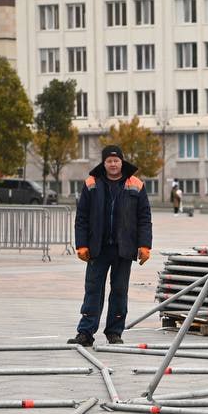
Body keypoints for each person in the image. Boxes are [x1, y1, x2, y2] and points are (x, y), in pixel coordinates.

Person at [68, 144, 152, 347]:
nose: (113, 164)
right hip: (98, 248)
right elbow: (82, 218)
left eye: (116, 160)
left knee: (120, 290)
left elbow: (144, 218)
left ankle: (114, 332)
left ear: (122, 162)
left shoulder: (136, 184)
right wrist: (81, 245)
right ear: (103, 163)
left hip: (124, 248)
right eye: (109, 161)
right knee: (93, 290)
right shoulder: (91, 183)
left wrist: (144, 245)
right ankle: (86, 332)